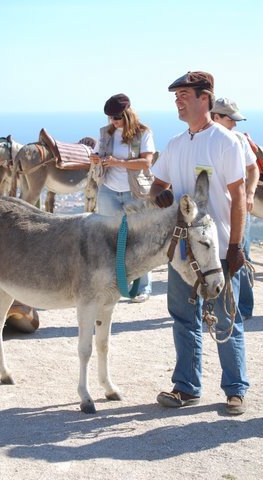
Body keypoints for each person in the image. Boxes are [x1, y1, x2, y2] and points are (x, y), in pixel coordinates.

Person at [150, 71, 248, 415]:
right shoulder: (175, 144)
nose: (178, 100)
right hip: (179, 254)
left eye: (184, 95)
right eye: (176, 96)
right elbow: (156, 185)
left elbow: (238, 197)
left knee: (225, 319)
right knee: (182, 317)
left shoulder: (225, 141)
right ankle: (186, 388)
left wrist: (235, 246)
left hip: (215, 250)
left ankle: (235, 390)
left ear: (204, 98)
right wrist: (159, 195)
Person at [90, 93, 155, 303]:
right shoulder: (106, 133)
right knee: (110, 238)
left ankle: (143, 286)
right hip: (108, 190)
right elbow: (100, 155)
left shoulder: (143, 133)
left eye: (116, 117)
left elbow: (146, 162)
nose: (113, 121)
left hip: (134, 192)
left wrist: (118, 162)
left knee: (139, 238)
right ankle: (116, 284)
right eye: (110, 117)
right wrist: (96, 158)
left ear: (127, 114)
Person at [211, 98, 259, 320]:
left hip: (237, 210)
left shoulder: (239, 140)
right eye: (231, 120)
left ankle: (243, 309)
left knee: (242, 256)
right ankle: (213, 306)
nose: (235, 125)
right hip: (211, 211)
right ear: (215, 117)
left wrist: (249, 193)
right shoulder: (204, 140)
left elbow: (253, 169)